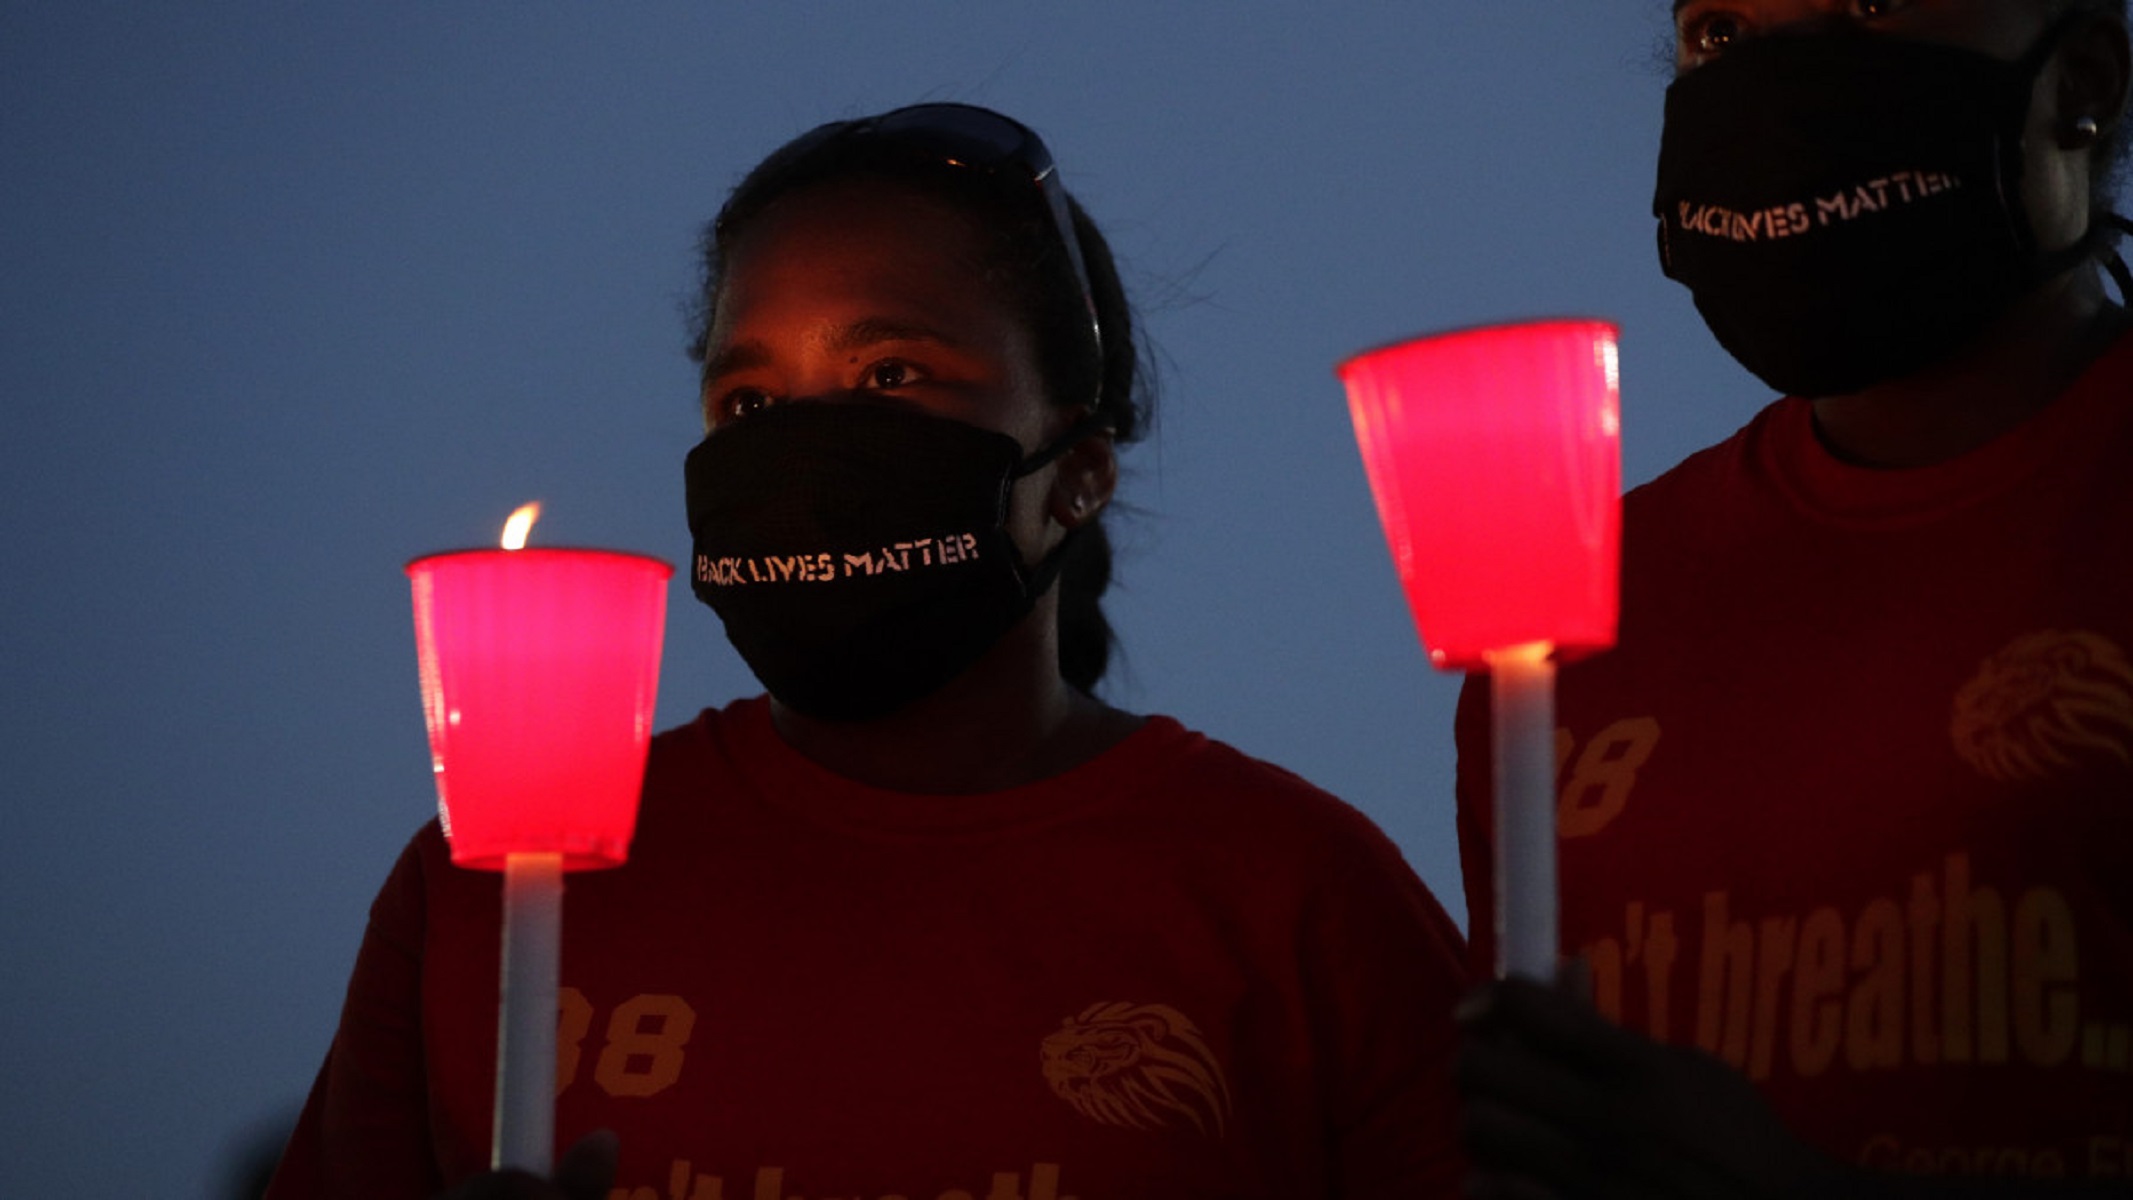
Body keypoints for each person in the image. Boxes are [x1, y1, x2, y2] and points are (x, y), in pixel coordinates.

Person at [267, 103, 1470, 1200]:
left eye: (890, 375)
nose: (804, 451)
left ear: (1078, 474)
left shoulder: (1297, 896)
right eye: (748, 404)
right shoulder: (487, 888)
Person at [1453, 0, 2133, 1196]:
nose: (1777, 88)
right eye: (1720, 32)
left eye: (1867, 9)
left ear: (2082, 80)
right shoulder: (1590, 604)